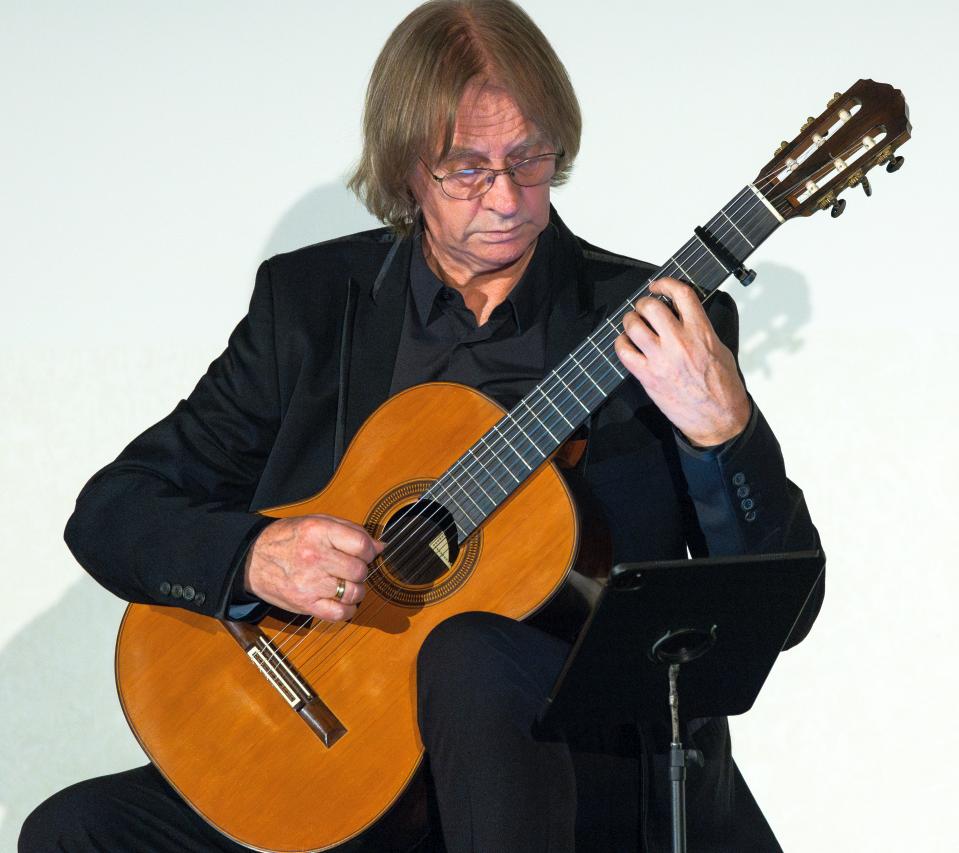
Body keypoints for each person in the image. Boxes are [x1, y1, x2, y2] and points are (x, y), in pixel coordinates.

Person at [20, 0, 822, 850]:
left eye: (529, 158)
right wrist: (254, 556)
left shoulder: (654, 326)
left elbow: (782, 607)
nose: (506, 197)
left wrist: (724, 432)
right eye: (466, 168)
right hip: (352, 753)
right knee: (74, 831)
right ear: (407, 168)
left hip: (569, 767)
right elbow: (113, 510)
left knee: (468, 651)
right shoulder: (312, 307)